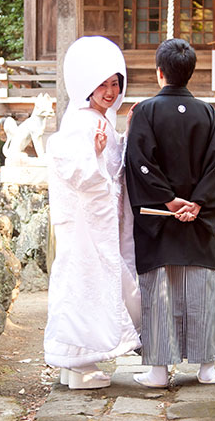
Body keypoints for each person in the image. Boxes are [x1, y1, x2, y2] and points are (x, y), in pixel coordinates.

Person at [125, 38, 215, 387]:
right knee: (202, 287)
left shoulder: (145, 111)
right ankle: (206, 368)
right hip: (198, 219)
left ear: (160, 73)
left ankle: (158, 370)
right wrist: (197, 203)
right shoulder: (208, 113)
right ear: (190, 73)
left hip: (159, 218)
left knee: (159, 288)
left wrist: (169, 202)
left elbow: (139, 163)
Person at [44, 36, 141, 390]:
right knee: (82, 285)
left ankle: (76, 365)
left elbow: (113, 172)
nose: (110, 91)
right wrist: (99, 155)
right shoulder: (83, 123)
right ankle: (78, 365)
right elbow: (82, 175)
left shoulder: (100, 121)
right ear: (86, 85)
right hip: (85, 225)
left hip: (97, 223)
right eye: (102, 84)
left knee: (85, 285)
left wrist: (126, 137)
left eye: (115, 83)